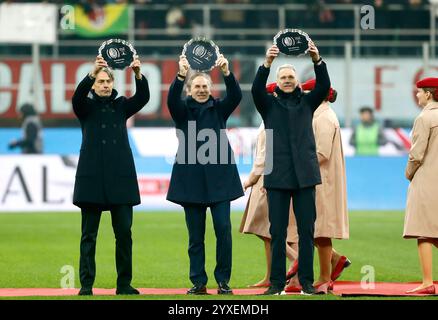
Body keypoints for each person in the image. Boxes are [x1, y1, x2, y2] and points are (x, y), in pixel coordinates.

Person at [251, 41, 331, 295]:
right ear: (277, 82)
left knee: (307, 232)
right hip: (278, 178)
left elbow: (324, 86)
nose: (287, 80)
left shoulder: (309, 103)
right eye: (283, 77)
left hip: (305, 177)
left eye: (290, 77)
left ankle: (306, 283)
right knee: (277, 232)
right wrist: (266, 64)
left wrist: (317, 60)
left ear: (297, 81)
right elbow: (255, 90)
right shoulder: (268, 105)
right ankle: (276, 284)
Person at [72, 55, 150, 296]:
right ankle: (86, 285)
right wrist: (91, 72)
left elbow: (143, 98)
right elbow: (76, 98)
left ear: (113, 83)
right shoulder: (85, 107)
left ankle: (124, 284)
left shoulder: (121, 105)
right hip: (92, 180)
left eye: (108, 81)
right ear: (94, 84)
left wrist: (138, 74)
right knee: (89, 237)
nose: (105, 85)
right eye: (101, 81)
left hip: (120, 181)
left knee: (124, 235)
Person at [166, 54, 243, 295]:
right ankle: (198, 282)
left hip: (220, 180)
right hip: (191, 183)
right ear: (189, 89)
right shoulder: (182, 111)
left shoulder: (219, 108)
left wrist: (227, 73)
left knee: (223, 231)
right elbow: (171, 100)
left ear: (211, 89)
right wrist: (180, 75)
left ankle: (223, 280)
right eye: (197, 86)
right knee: (195, 237)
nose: (201, 89)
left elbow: (237, 96)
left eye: (205, 86)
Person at [281, 79, 351, 294]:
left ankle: (324, 276)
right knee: (317, 231)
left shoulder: (323, 118)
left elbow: (320, 153)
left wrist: (295, 166)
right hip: (317, 178)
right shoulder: (319, 115)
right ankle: (331, 265)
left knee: (319, 230)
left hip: (319, 179)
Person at [240, 122, 298, 288]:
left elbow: (266, 155)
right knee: (266, 228)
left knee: (265, 227)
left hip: (268, 178)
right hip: (270, 176)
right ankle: (271, 276)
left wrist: (252, 179)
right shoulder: (272, 118)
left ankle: (295, 259)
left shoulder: (273, 119)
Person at [403, 77, 438, 295]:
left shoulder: (424, 118)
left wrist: (408, 174)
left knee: (424, 231)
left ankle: (427, 283)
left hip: (427, 178)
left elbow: (416, 154)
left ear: (428, 93)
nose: (417, 95)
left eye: (419, 92)